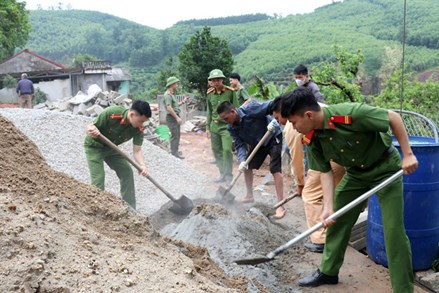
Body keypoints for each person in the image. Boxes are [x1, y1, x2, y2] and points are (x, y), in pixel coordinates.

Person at [281, 87, 418, 292]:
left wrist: (407, 154)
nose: (293, 127)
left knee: (393, 232)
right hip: (355, 174)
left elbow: (393, 117)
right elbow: (325, 172)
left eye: (293, 122)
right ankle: (328, 272)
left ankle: (403, 289)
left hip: (385, 170)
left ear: (308, 115)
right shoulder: (311, 137)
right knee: (336, 219)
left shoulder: (350, 114)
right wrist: (328, 207)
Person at [217, 100, 286, 219]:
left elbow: (272, 105)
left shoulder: (251, 109)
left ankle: (281, 204)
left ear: (233, 112)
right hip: (257, 142)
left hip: (272, 136)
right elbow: (239, 145)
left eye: (226, 118)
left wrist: (276, 119)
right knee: (247, 166)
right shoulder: (231, 127)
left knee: (275, 169)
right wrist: (242, 160)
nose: (226, 122)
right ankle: (249, 195)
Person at [84, 100, 152, 210]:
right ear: (131, 114)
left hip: (111, 148)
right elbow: (89, 127)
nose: (141, 124)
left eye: (143, 122)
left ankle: (130, 209)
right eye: (140, 121)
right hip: (94, 146)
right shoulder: (112, 113)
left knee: (127, 171)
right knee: (98, 178)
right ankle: (96, 209)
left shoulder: (139, 129)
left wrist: (142, 165)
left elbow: (137, 150)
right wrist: (92, 130)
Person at [206, 69, 239, 184]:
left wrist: (236, 125)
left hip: (227, 127)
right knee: (216, 151)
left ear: (222, 80)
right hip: (214, 126)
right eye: (213, 80)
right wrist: (207, 127)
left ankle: (228, 176)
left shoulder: (230, 92)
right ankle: (222, 174)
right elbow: (209, 111)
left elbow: (236, 109)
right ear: (211, 81)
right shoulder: (209, 94)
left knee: (226, 150)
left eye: (218, 80)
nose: (216, 82)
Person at [164, 76, 189, 159]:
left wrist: (183, 102)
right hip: (171, 117)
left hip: (173, 117)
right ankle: (174, 154)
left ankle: (175, 151)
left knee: (177, 135)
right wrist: (177, 118)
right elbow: (169, 108)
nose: (177, 85)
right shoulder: (167, 95)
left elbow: (174, 106)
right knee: (175, 135)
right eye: (176, 83)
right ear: (172, 84)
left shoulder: (171, 94)